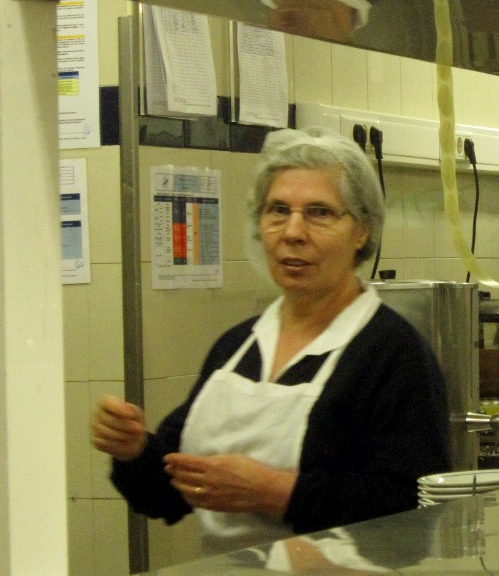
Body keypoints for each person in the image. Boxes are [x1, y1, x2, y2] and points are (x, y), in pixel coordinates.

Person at [91, 128, 451, 554]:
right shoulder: (236, 347)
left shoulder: (393, 353)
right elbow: (166, 494)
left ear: (362, 231)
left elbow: (413, 509)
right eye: (278, 210)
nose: (292, 232)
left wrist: (275, 492)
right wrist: (134, 450)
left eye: (319, 213)